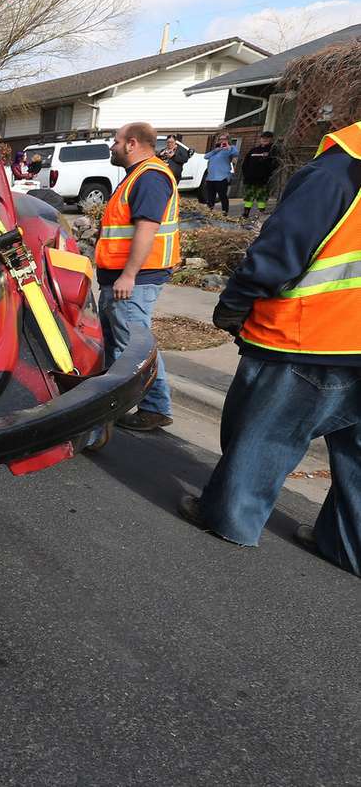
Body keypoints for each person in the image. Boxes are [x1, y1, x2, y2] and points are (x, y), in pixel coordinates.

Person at [178, 120, 361, 578]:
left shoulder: (337, 172)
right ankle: (345, 544)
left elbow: (281, 249)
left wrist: (235, 302)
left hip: (312, 340)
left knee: (265, 435)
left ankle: (230, 519)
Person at [96, 122, 179, 431]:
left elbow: (147, 229)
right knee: (123, 345)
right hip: (122, 277)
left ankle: (154, 407)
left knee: (133, 347)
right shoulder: (138, 176)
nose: (112, 146)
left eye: (115, 141)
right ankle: (125, 404)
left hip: (135, 279)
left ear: (132, 144)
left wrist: (128, 275)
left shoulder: (150, 177)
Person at [240, 131, 278, 219]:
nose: (264, 139)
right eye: (263, 138)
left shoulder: (273, 150)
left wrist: (267, 173)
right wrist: (246, 174)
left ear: (271, 139)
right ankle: (245, 214)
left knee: (262, 198)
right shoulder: (253, 150)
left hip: (263, 180)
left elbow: (275, 164)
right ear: (260, 139)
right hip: (250, 179)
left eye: (267, 138)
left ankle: (260, 215)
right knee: (248, 197)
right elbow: (245, 163)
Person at [203, 133, 239, 213]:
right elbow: (206, 156)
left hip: (222, 177)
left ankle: (224, 212)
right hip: (211, 177)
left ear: (228, 140)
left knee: (222, 196)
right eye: (220, 139)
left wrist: (228, 147)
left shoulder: (231, 148)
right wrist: (216, 150)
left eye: (224, 139)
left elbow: (236, 153)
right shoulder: (216, 150)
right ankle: (209, 211)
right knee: (210, 197)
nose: (222, 140)